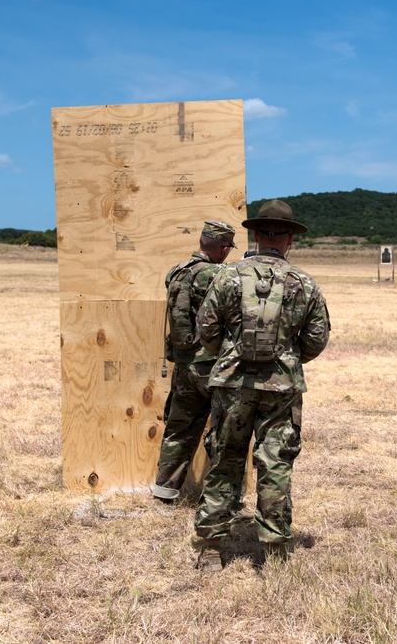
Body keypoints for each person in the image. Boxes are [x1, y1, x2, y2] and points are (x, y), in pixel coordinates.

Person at [193, 200, 330, 571]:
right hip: (281, 388)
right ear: (289, 239)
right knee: (275, 464)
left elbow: (205, 329)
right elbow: (317, 339)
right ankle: (274, 550)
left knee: (225, 460)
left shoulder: (226, 277)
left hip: (231, 385)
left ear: (255, 235)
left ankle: (210, 548)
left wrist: (228, 354)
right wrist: (287, 356)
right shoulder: (304, 283)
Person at [153, 220, 236, 503]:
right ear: (224, 248)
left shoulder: (176, 272)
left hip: (184, 364)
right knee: (223, 433)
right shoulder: (219, 275)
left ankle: (164, 494)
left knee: (179, 429)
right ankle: (219, 501)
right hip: (211, 365)